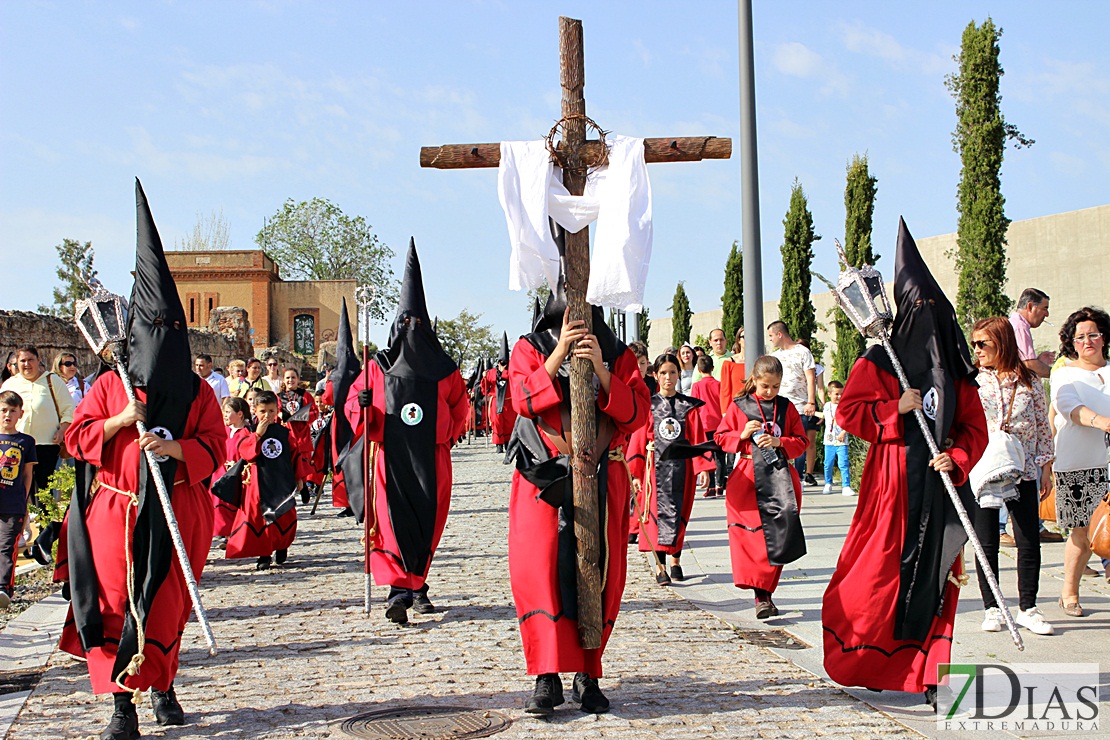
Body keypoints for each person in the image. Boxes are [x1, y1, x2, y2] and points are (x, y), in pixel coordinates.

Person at [56, 180, 225, 739]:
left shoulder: (198, 393)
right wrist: (120, 423)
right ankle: (121, 705)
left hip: (175, 509)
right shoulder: (110, 384)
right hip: (117, 514)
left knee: (165, 606)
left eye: (168, 332)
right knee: (115, 605)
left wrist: (173, 447)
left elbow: (216, 447)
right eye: (150, 331)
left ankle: (164, 685)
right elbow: (75, 438)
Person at [821, 219, 987, 707]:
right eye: (919, 308)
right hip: (890, 489)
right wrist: (894, 409)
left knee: (939, 578)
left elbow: (974, 430)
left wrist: (955, 456)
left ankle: (933, 675)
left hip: (941, 489)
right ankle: (873, 658)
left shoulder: (960, 373)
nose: (927, 318)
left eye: (935, 309)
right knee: (877, 577)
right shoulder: (880, 359)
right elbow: (850, 413)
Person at [504, 274, 650, 716]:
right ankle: (546, 676)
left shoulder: (619, 353)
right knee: (541, 571)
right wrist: (559, 354)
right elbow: (521, 399)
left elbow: (637, 412)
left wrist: (603, 371)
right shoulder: (529, 346)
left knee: (599, 572)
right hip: (541, 478)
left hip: (603, 475)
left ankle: (588, 672)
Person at [344, 241, 468, 625]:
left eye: (417, 324)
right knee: (393, 526)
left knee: (426, 525)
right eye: (405, 324)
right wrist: (361, 403)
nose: (410, 329)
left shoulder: (444, 370)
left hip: (431, 461)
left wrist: (436, 425)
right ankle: (401, 591)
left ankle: (418, 584)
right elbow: (352, 410)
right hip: (389, 461)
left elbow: (460, 413)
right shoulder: (377, 367)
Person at [968, 317, 1055, 636]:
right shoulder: (973, 380)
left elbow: (1042, 425)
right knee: (986, 539)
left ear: (1001, 343)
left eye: (983, 344)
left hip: (1024, 464)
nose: (977, 350)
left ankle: (1028, 608)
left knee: (1028, 537)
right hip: (985, 466)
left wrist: (1046, 466)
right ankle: (992, 607)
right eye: (974, 343)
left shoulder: (1028, 381)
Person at [715, 355, 808, 619]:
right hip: (746, 478)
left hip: (780, 480)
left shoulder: (787, 407)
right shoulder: (739, 406)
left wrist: (781, 443)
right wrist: (741, 435)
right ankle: (761, 595)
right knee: (752, 538)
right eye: (765, 386)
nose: (770, 391)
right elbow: (720, 438)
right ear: (754, 380)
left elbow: (801, 441)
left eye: (776, 386)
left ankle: (765, 594)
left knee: (777, 537)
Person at [1049, 306, 1110, 618]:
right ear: (1071, 342)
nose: (1088, 341)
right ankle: (1069, 592)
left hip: (1108, 463)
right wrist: (1101, 421)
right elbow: (1069, 408)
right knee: (1083, 534)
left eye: (1094, 335)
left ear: (1104, 338)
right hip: (1078, 465)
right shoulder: (1064, 374)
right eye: (1081, 336)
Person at [628, 353, 710, 585]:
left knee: (679, 515)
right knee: (656, 517)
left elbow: (697, 438)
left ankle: (676, 561)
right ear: (655, 375)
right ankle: (660, 566)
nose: (668, 377)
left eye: (672, 372)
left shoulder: (688, 407)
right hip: (654, 470)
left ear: (678, 374)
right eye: (663, 373)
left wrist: (702, 467)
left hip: (682, 468)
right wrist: (635, 473)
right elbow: (637, 438)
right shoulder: (648, 406)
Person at [225, 390, 305, 570]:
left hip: (281, 481)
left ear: (277, 411)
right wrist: (258, 435)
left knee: (284, 515)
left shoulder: (284, 432)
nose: (267, 415)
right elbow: (246, 453)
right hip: (258, 482)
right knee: (261, 518)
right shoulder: (249, 431)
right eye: (263, 411)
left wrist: (299, 478)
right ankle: (265, 553)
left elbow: (295, 455)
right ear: (255, 411)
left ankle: (282, 545)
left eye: (270, 411)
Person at [0, 344, 74, 499]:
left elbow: (69, 410)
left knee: (44, 488)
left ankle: (44, 521)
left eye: (30, 360)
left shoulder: (53, 381)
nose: (27, 364)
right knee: (17, 485)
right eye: (22, 361)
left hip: (46, 444)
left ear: (38, 360)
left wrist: (62, 431)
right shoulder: (10, 385)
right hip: (17, 444)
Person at [767, 321, 818, 486]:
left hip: (800, 406)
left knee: (799, 442)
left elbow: (811, 377)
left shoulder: (803, 352)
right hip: (780, 406)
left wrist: (811, 401)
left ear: (779, 334)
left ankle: (799, 477)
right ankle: (782, 475)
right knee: (780, 440)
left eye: (771, 336)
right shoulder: (776, 356)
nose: (770, 339)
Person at [0, 390, 36, 609]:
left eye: (13, 411)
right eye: (3, 410)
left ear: (20, 414)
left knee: (6, 546)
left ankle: (4, 587)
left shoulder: (26, 442)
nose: (7, 415)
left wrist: (25, 506)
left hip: (13, 503)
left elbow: (27, 475)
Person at [211, 397, 251, 548]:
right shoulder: (225, 431)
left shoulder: (246, 433)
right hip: (221, 473)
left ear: (239, 414)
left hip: (237, 475)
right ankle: (224, 533)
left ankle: (234, 534)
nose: (225, 415)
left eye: (228, 412)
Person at [278, 368, 319, 503]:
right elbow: (275, 413)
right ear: (284, 380)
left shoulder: (305, 395)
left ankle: (303, 486)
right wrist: (281, 416)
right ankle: (295, 489)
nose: (290, 380)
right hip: (287, 434)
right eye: (288, 378)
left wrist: (302, 416)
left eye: (293, 377)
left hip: (302, 434)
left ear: (298, 379)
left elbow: (314, 412)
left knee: (303, 464)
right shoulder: (279, 397)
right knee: (289, 465)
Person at [689, 355, 726, 497]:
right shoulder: (719, 384)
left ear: (698, 369)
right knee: (720, 456)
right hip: (719, 424)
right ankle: (719, 484)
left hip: (704, 424)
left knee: (707, 455)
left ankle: (710, 486)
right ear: (713, 368)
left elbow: (694, 405)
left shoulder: (697, 386)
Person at [1009, 288, 1056, 379]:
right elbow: (1029, 365)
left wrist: (1039, 361)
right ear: (1030, 307)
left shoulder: (1014, 324)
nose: (1047, 314)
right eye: (1044, 309)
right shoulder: (1020, 327)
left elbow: (1023, 364)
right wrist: (1059, 374)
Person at [821, 380, 853, 496]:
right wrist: (814, 414)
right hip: (829, 440)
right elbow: (824, 416)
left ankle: (846, 485)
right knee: (828, 463)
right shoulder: (827, 406)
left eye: (841, 394)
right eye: (836, 394)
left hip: (841, 441)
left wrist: (843, 433)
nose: (839, 396)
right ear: (829, 394)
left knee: (843, 463)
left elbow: (849, 422)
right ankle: (828, 483)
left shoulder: (845, 407)